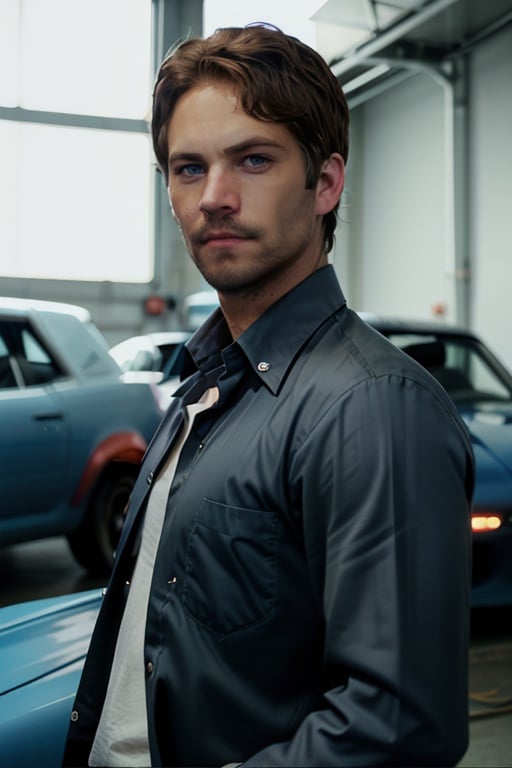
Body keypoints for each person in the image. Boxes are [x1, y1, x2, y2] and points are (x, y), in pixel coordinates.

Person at [63, 24, 474, 768]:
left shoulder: (372, 407)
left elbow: (396, 730)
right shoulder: (206, 379)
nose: (214, 198)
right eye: (188, 168)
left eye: (253, 160)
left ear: (325, 184)